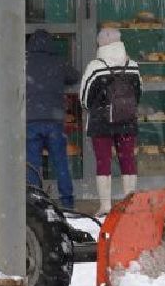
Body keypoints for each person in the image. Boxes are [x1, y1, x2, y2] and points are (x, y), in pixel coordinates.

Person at [80, 27, 142, 213]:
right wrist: (124, 108)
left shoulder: (95, 67)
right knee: (128, 160)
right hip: (127, 120)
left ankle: (106, 205)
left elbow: (84, 97)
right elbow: (138, 93)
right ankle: (129, 203)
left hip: (101, 122)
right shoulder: (132, 65)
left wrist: (99, 108)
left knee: (103, 161)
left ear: (100, 44)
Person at [25, 29, 79, 208]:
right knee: (60, 162)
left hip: (30, 120)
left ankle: (34, 201)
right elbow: (74, 77)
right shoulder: (58, 62)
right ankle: (67, 201)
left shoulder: (24, 62)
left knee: (33, 164)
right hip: (54, 121)